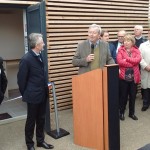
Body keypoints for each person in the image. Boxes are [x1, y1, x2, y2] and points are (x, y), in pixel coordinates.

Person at [17, 33, 54, 150]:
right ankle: (29, 144)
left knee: (41, 119)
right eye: (42, 42)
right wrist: (27, 94)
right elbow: (21, 81)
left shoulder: (40, 55)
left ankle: (40, 141)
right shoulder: (26, 59)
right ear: (37, 45)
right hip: (32, 96)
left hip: (42, 94)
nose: (44, 44)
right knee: (31, 121)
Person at [117, 34, 141, 121]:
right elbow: (120, 62)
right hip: (123, 78)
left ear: (132, 42)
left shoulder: (136, 50)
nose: (126, 42)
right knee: (123, 96)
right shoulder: (120, 50)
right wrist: (132, 63)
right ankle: (121, 112)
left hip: (134, 78)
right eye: (125, 40)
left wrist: (126, 59)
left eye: (128, 40)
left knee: (133, 96)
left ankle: (132, 113)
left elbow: (138, 60)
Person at [139, 28, 150, 111]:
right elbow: (140, 57)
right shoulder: (143, 45)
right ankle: (145, 104)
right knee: (145, 88)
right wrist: (146, 66)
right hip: (146, 70)